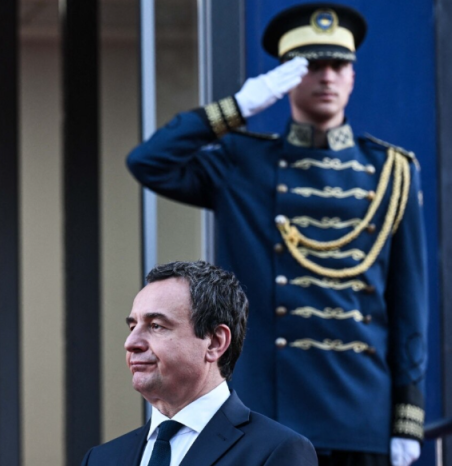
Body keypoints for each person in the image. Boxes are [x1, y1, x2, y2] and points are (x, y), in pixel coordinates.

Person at [126, 4, 428, 466]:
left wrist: (408, 414)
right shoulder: (244, 163)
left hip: (358, 411)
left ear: (352, 76)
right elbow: (149, 161)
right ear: (286, 77)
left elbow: (408, 304)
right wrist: (239, 107)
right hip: (267, 410)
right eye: (311, 65)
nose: (326, 76)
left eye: (338, 65)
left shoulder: (392, 172)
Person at [81, 261, 318, 466]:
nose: (131, 343)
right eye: (133, 327)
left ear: (215, 342)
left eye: (156, 326)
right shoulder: (100, 459)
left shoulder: (277, 450)